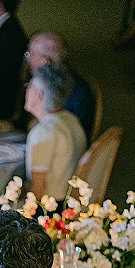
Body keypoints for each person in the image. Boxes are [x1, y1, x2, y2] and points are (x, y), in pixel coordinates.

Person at [24, 63, 87, 204]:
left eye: (29, 86)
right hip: (67, 201)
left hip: (50, 210)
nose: (26, 89)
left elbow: (38, 191)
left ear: (38, 94)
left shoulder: (42, 133)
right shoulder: (71, 119)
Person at [23, 32, 96, 141]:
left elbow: (55, 133)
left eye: (30, 54)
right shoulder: (64, 80)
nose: (27, 59)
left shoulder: (66, 91)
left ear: (44, 61)